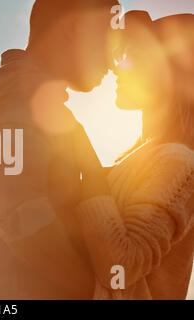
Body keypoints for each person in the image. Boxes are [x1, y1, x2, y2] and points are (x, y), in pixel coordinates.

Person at [0, 0, 119, 299]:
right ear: (74, 31)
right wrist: (92, 290)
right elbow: (17, 215)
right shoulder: (25, 97)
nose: (112, 63)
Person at [76, 11, 194, 299]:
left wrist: (86, 165)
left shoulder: (180, 163)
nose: (118, 67)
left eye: (133, 57)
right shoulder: (143, 158)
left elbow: (121, 266)